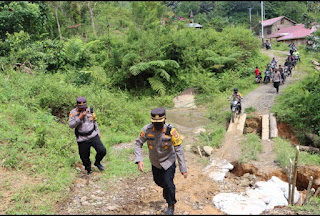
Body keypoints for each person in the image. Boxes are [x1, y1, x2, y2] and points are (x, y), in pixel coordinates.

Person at [134, 108, 187, 215]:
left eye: (159, 123)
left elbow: (179, 150)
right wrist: (139, 159)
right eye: (155, 122)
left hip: (168, 162)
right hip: (155, 163)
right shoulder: (146, 130)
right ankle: (168, 190)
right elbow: (138, 143)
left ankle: (171, 205)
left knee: (168, 182)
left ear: (165, 119)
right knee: (158, 181)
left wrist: (183, 168)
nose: (157, 125)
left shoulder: (171, 131)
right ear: (151, 121)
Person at [69, 97, 107, 175]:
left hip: (93, 135)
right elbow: (71, 125)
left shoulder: (90, 110)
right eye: (80, 107)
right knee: (84, 157)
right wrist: (80, 117)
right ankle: (88, 169)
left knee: (102, 150)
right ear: (77, 105)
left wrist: (98, 132)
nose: (82, 108)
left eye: (84, 107)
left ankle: (97, 162)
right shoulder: (73, 112)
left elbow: (94, 122)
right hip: (82, 138)